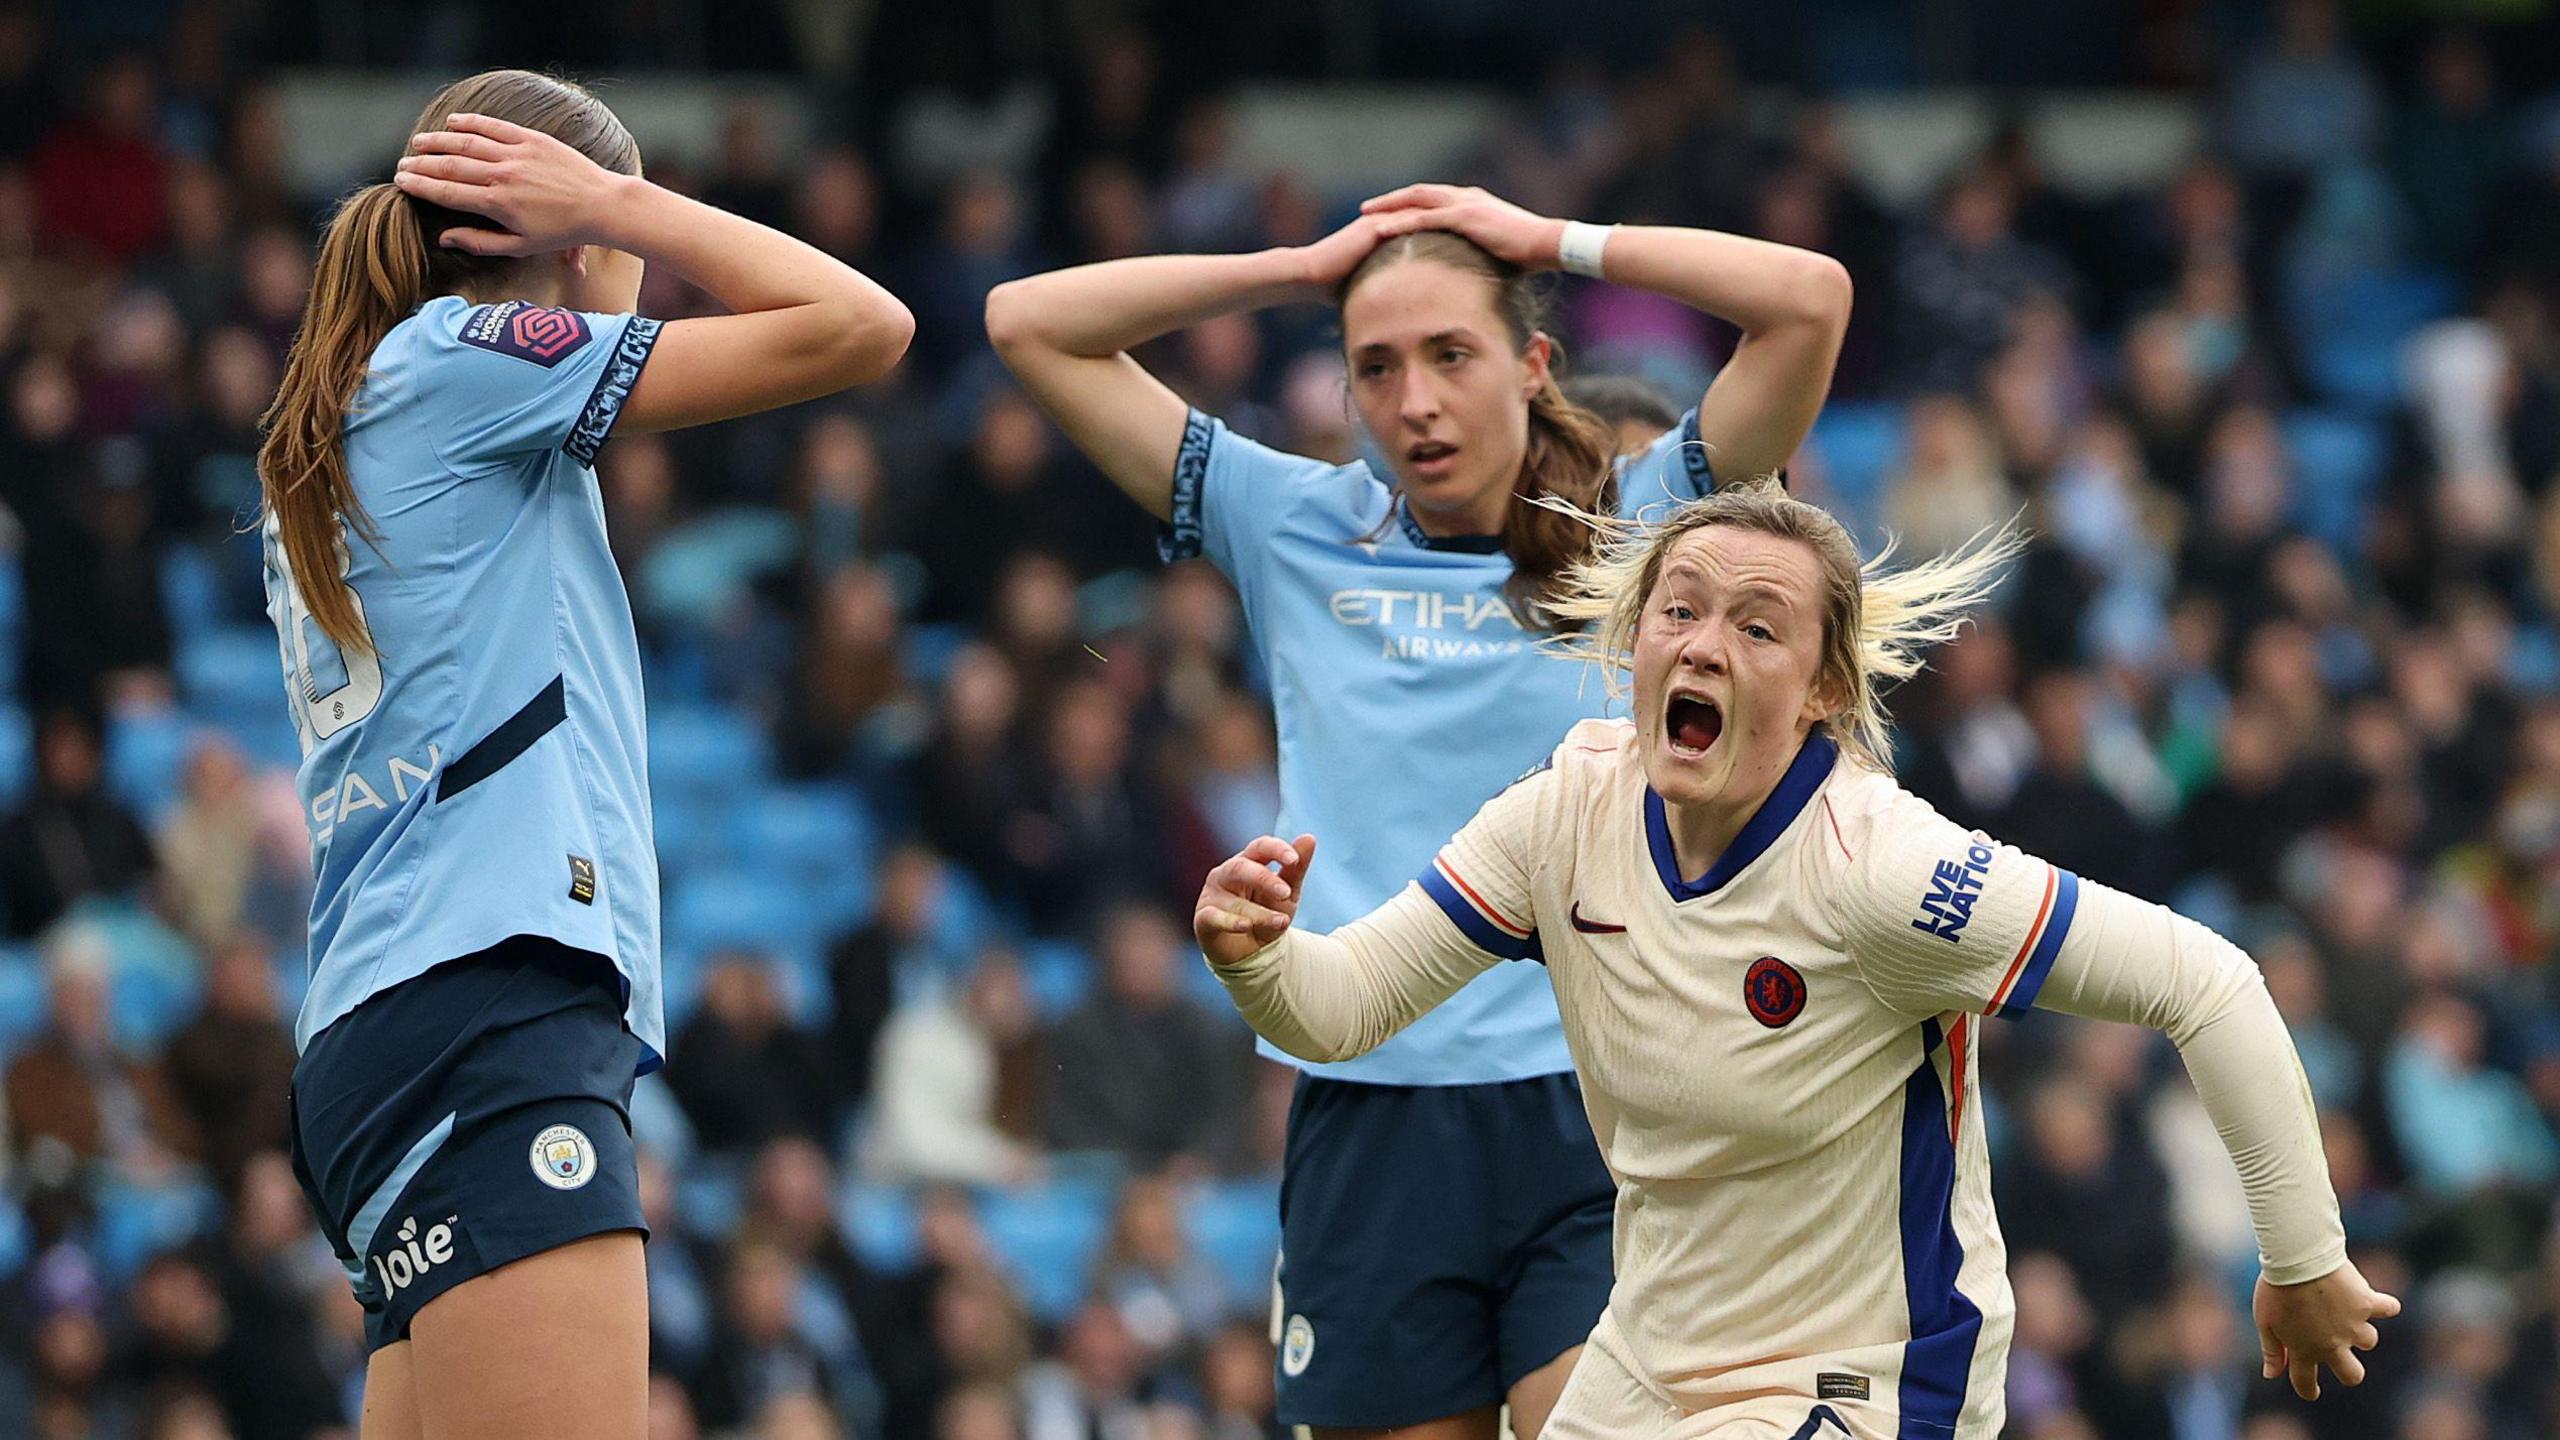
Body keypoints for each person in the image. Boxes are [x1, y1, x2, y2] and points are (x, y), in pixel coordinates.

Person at [1191, 486, 2399, 1439]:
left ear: (1824, 686)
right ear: (1634, 637)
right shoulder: (1562, 815)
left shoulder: (1885, 870)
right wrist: (1256, 957)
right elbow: (1339, 1010)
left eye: (1756, 625)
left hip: (1867, 1373)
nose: (1704, 644)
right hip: (1648, 1359)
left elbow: (2210, 983)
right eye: (1679, 609)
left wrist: (2302, 1261)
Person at [989, 182, 1849, 1439]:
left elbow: (1807, 301)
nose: (1416, 401)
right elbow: (1030, 322)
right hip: (1371, 1108)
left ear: (1533, 360)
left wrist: (1552, 241)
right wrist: (1301, 267)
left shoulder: (1646, 522)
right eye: (1375, 367)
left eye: (1453, 354)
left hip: (1603, 1101)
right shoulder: (1290, 523)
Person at [256, 69, 911, 1440]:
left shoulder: (371, 405)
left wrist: (606, 217)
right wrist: (625, 200)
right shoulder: (461, 362)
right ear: (549, 241)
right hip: (492, 998)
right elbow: (863, 326)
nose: (642, 279)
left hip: (393, 1016)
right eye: (620, 251)